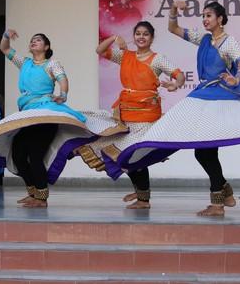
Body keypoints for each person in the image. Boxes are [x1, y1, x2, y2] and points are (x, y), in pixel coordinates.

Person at [98, 1, 240, 217]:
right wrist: (173, 11)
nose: (205, 19)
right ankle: (223, 193)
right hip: (204, 96)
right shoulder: (204, 39)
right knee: (203, 151)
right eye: (203, 16)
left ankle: (219, 201)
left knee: (205, 152)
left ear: (220, 19)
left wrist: (236, 77)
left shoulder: (228, 42)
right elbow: (174, 29)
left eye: (209, 16)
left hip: (220, 98)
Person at [0, 29, 126, 208]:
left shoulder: (52, 64)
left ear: (46, 46)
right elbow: (5, 49)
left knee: (35, 155)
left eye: (38, 40)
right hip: (28, 116)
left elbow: (63, 79)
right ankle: (33, 193)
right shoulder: (25, 63)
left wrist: (63, 94)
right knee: (18, 154)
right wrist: (5, 36)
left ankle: (41, 197)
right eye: (32, 40)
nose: (33, 41)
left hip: (46, 114)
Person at [78, 21, 184, 209]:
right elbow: (99, 50)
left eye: (146, 34)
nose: (141, 37)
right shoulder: (125, 56)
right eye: (138, 34)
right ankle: (141, 193)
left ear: (152, 38)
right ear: (134, 37)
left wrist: (175, 84)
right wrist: (114, 38)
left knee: (134, 154)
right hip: (125, 115)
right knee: (123, 154)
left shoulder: (158, 59)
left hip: (146, 117)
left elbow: (180, 75)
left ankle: (143, 198)